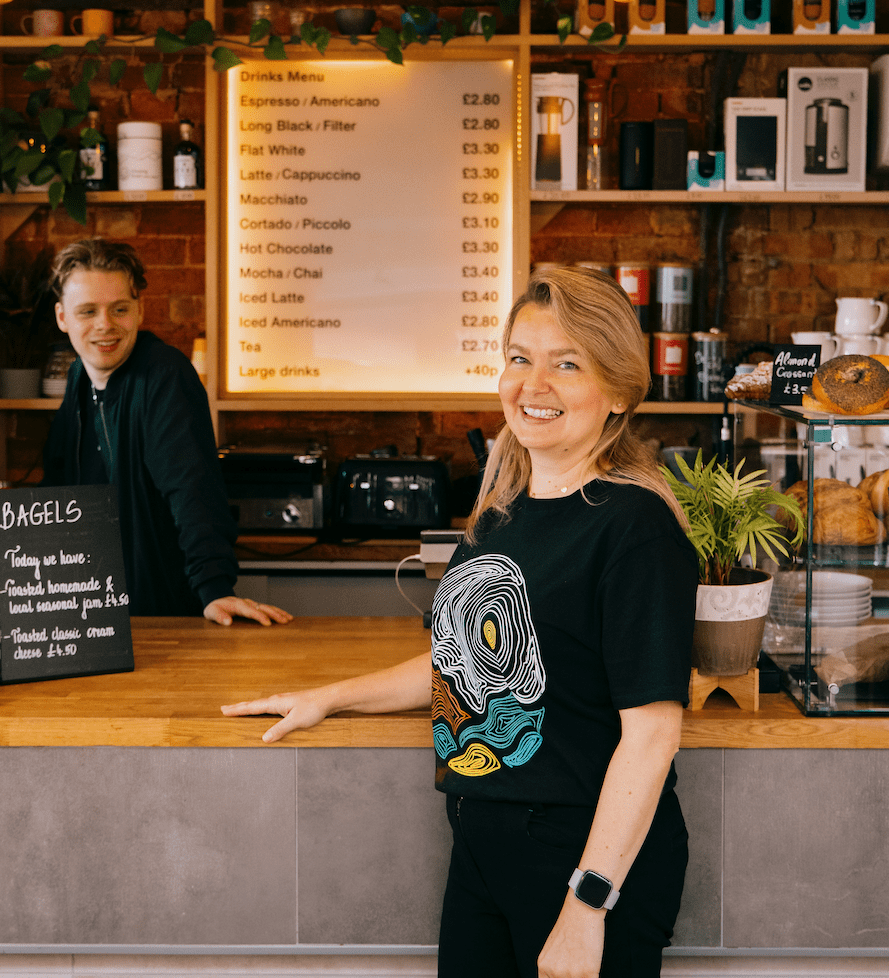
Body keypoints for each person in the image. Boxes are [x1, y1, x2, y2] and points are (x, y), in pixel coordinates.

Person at [222, 265, 697, 978]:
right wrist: (330, 696)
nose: (533, 386)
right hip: (481, 839)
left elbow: (653, 734)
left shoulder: (635, 527)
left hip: (578, 855)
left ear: (621, 391)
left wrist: (587, 905)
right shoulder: (501, 511)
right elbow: (460, 663)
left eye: (566, 364)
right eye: (519, 359)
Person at [42, 237, 291, 627]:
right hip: (96, 614)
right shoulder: (78, 377)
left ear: (139, 310)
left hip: (164, 615)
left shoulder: (164, 375)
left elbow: (192, 487)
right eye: (88, 311)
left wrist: (214, 588)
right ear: (62, 317)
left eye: (119, 309)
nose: (104, 325)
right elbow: (59, 487)